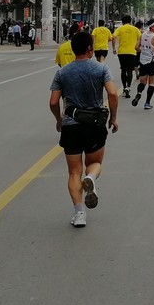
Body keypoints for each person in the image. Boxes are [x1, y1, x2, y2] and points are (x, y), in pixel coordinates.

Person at [48, 30, 120, 228]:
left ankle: (79, 214)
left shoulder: (62, 72)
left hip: (71, 126)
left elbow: (54, 101)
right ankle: (90, 178)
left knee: (73, 172)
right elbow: (113, 94)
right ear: (90, 49)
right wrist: (113, 118)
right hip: (94, 125)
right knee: (94, 163)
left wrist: (59, 120)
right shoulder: (101, 69)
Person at [132, 20, 154, 110]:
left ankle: (139, 93)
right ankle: (147, 103)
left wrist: (144, 51)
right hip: (152, 61)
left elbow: (136, 47)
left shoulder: (143, 35)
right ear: (152, 27)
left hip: (143, 60)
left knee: (142, 81)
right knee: (152, 83)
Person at [111, 14, 141, 98]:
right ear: (130, 21)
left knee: (123, 70)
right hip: (132, 52)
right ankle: (128, 87)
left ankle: (124, 87)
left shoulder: (120, 28)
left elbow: (113, 37)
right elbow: (140, 38)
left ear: (122, 22)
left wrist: (113, 48)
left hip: (122, 52)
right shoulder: (135, 29)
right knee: (130, 71)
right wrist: (137, 46)